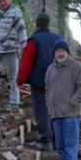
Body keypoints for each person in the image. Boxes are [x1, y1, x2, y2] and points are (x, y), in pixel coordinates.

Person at [45, 39, 81, 160]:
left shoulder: (77, 67)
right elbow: (47, 89)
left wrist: (72, 102)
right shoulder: (50, 69)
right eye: (58, 51)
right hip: (55, 114)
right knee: (62, 148)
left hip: (70, 114)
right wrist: (49, 106)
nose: (60, 53)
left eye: (63, 50)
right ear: (54, 53)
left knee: (70, 147)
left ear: (68, 52)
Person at [17, 13, 62, 151]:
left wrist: (20, 80)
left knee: (42, 109)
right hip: (58, 80)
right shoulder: (58, 39)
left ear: (36, 24)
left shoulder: (34, 40)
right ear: (48, 24)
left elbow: (26, 61)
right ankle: (57, 139)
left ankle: (45, 140)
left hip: (39, 81)